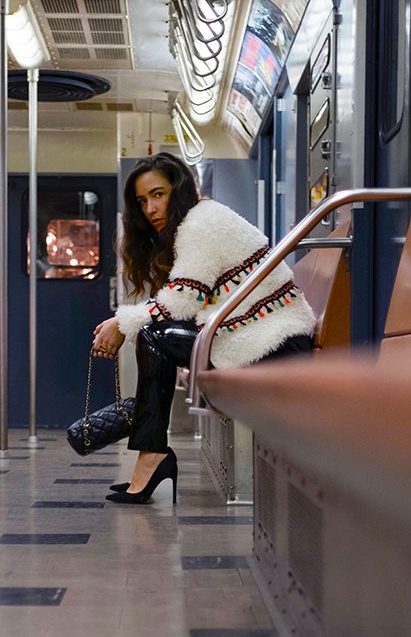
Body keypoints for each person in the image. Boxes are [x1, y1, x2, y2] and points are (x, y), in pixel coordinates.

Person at [92, 152, 315, 504]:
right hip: (256, 336)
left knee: (153, 336)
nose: (150, 209)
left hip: (276, 342)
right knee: (155, 333)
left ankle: (152, 457)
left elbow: (182, 300)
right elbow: (185, 303)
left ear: (178, 190)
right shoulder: (199, 219)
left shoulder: (200, 224)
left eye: (158, 194)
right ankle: (151, 456)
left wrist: (121, 323)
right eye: (142, 200)